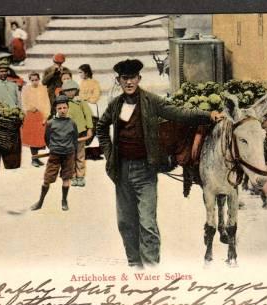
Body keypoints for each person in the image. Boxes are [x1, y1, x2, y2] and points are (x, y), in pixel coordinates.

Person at [97, 59, 225, 268]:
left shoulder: (151, 101)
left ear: (139, 78)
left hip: (145, 171)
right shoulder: (115, 105)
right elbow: (101, 128)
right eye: (125, 78)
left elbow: (179, 112)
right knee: (125, 223)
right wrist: (109, 153)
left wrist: (208, 115)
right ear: (119, 80)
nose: (129, 82)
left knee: (147, 223)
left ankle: (151, 270)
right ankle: (134, 265)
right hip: (121, 171)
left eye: (133, 78)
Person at [31, 95, 78, 211]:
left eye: (64, 108)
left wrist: (71, 151)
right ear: (56, 109)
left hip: (68, 155)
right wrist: (54, 148)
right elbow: (47, 138)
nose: (62, 110)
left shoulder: (72, 123)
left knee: (66, 178)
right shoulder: (51, 123)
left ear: (68, 108)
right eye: (59, 108)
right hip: (55, 155)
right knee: (47, 179)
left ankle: (64, 200)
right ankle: (40, 201)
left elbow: (75, 139)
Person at [62, 79, 93, 187]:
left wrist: (89, 128)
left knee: (80, 155)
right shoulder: (63, 103)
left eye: (72, 90)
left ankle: (80, 176)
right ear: (64, 91)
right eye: (67, 90)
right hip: (67, 133)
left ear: (76, 90)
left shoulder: (81, 102)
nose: (70, 92)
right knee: (70, 155)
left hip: (81, 132)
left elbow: (88, 115)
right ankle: (73, 176)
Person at [21, 72, 51, 167]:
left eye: (36, 80)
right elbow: (23, 102)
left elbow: (46, 102)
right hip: (31, 115)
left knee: (40, 137)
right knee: (33, 139)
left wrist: (46, 116)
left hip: (41, 115)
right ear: (30, 80)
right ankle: (34, 159)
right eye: (32, 80)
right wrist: (29, 108)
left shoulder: (43, 89)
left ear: (39, 79)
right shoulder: (26, 89)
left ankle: (37, 158)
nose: (34, 82)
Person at [78, 64, 103, 160]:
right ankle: (84, 150)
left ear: (86, 73)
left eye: (81, 72)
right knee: (85, 127)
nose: (79, 74)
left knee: (93, 126)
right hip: (83, 107)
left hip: (91, 107)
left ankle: (95, 151)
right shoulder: (82, 83)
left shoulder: (94, 82)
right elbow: (80, 95)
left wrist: (87, 99)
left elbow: (96, 95)